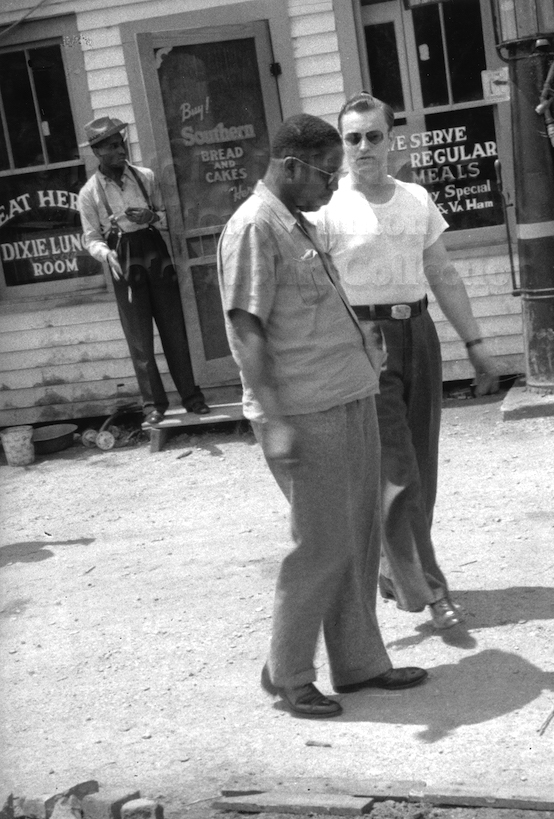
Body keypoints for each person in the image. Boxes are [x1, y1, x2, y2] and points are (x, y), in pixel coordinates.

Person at [217, 113, 427, 718]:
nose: (332, 187)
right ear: (290, 166)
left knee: (357, 538)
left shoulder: (295, 224)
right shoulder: (254, 227)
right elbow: (245, 326)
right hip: (304, 411)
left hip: (346, 396)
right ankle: (287, 673)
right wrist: (278, 420)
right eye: (325, 175)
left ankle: (359, 664)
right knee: (322, 544)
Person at [310, 93, 500, 631]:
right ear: (342, 144)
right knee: (396, 472)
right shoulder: (325, 209)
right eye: (353, 138)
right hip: (364, 342)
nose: (364, 147)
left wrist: (476, 344)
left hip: (417, 333)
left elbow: (442, 273)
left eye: (374, 136)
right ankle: (432, 592)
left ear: (391, 140)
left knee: (422, 466)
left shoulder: (415, 197)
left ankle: (399, 571)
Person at [78, 116, 209, 425]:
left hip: (154, 252)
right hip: (122, 258)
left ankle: (192, 397)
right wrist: (106, 255)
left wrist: (150, 217)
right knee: (139, 338)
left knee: (173, 328)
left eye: (121, 143)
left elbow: (167, 217)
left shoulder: (145, 177)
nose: (121, 149)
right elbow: (91, 238)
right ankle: (153, 406)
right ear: (98, 152)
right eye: (112, 146)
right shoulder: (90, 193)